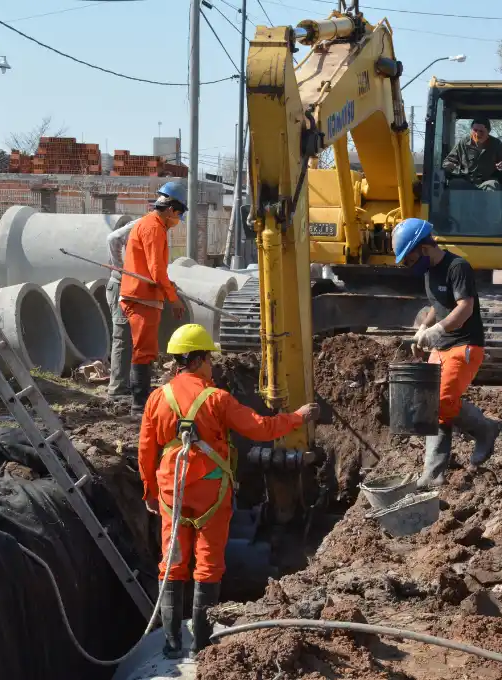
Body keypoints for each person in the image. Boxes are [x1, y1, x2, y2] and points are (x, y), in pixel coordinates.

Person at [138, 323, 320, 657]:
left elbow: (146, 449)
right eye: (209, 359)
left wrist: (149, 491)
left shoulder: (156, 398)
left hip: (171, 494)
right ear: (198, 359)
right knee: (207, 565)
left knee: (173, 563)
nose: (212, 366)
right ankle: (204, 644)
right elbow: (261, 428)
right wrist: (297, 417)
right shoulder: (217, 399)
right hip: (211, 495)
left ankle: (172, 642)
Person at [393, 218, 500, 487]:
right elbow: (436, 305)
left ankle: (485, 429)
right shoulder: (430, 272)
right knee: (432, 405)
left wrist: (438, 330)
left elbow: (464, 307)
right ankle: (433, 476)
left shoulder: (457, 267)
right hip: (441, 346)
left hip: (465, 345)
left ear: (424, 248)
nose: (408, 265)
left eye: (409, 259)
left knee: (441, 400)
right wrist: (423, 329)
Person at [119, 181, 188, 409]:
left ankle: (141, 399)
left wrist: (168, 286)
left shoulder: (151, 225)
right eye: (178, 214)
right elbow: (157, 270)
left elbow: (155, 270)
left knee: (144, 349)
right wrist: (173, 298)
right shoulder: (154, 228)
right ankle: (139, 405)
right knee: (144, 350)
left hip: (143, 295)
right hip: (141, 297)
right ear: (170, 209)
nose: (177, 220)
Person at [105, 218, 138, 401]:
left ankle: (127, 383)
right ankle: (117, 389)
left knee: (131, 339)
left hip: (131, 289)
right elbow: (113, 238)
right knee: (122, 338)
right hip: (120, 287)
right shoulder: (142, 224)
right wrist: (122, 269)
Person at [442, 117, 502, 190]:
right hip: (466, 181)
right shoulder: (463, 142)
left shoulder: (496, 144)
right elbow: (447, 162)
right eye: (475, 130)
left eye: (481, 131)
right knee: (455, 183)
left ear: (488, 131)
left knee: (493, 185)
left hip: (486, 181)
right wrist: (450, 165)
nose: (477, 134)